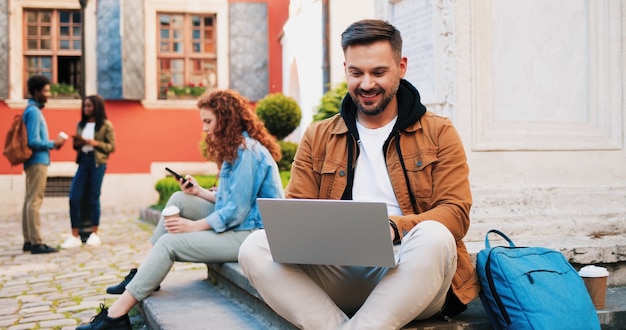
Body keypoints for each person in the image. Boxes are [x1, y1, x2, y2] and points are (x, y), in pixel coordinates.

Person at [238, 19, 479, 329]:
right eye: (356, 73)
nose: (366, 84)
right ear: (345, 69)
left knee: (435, 236)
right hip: (335, 271)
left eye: (379, 72)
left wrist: (392, 228)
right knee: (254, 247)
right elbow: (294, 215)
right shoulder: (317, 136)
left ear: (401, 66)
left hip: (411, 271)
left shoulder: (439, 132)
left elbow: (456, 214)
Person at [76, 89, 285, 329]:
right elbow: (228, 199)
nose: (204, 129)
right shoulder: (237, 149)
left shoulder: (247, 152)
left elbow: (236, 212)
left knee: (169, 244)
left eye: (208, 121)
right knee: (179, 198)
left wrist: (193, 227)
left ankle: (115, 318)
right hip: (244, 223)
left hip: (253, 235)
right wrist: (198, 192)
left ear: (226, 120)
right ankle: (147, 272)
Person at [61, 95, 116, 249]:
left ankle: (94, 233)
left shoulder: (105, 125)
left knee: (93, 196)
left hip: (97, 162)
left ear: (96, 107)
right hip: (83, 161)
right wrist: (78, 141)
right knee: (74, 196)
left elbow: (112, 146)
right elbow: (76, 146)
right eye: (85, 106)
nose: (86, 109)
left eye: (89, 106)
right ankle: (74, 235)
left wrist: (94, 142)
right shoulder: (81, 124)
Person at [22, 75, 67, 254]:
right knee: (35, 201)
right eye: (46, 91)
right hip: (37, 161)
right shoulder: (33, 111)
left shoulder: (31, 109)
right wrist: (53, 144)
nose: (48, 94)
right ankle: (36, 242)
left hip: (33, 161)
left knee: (29, 200)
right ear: (36, 91)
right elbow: (34, 141)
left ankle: (28, 240)